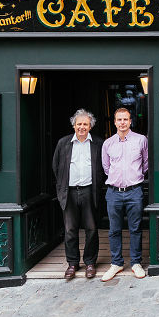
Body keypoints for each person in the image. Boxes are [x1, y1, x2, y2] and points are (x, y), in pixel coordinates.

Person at [52, 109, 105, 280]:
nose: (82, 127)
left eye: (85, 124)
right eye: (79, 124)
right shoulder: (63, 143)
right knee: (70, 230)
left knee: (91, 228)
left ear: (90, 126)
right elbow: (56, 166)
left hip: (89, 190)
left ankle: (90, 263)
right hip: (69, 191)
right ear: (74, 125)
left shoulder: (98, 143)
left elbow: (104, 167)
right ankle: (72, 263)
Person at [100, 107, 148, 281]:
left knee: (135, 228)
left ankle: (136, 263)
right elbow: (106, 167)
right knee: (114, 230)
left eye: (125, 119)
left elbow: (146, 164)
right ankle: (116, 263)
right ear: (114, 122)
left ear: (130, 121)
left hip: (134, 191)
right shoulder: (108, 144)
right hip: (113, 192)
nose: (122, 123)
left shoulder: (141, 140)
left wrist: (134, 177)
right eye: (119, 120)